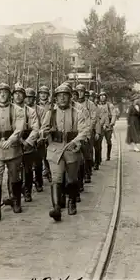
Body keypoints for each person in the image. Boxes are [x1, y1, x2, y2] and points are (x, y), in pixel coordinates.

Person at [41, 85, 88, 221]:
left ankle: (72, 202)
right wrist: (45, 132)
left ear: (70, 98)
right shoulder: (51, 113)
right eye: (59, 96)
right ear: (55, 98)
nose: (62, 98)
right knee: (56, 178)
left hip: (71, 149)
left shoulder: (77, 113)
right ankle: (56, 207)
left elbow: (84, 131)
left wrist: (76, 141)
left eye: (65, 95)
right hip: (55, 149)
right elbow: (42, 130)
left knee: (72, 179)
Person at [0, 83, 25, 221]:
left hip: (12, 149)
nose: (2, 94)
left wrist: (12, 139)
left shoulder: (17, 110)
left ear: (9, 95)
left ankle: (16, 201)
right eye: (0, 92)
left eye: (5, 92)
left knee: (14, 177)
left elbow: (19, 129)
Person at [11, 85, 39, 203]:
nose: (18, 96)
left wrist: (27, 142)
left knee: (27, 169)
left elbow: (35, 128)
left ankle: (27, 190)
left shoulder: (30, 111)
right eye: (15, 94)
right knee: (13, 170)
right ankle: (13, 194)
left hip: (27, 143)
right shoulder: (8, 110)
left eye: (20, 94)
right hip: (12, 143)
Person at [25, 87, 48, 193]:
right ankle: (26, 186)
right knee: (27, 165)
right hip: (26, 140)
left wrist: (40, 137)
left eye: (31, 97)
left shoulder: (41, 110)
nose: (28, 100)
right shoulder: (21, 110)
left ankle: (39, 182)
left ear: (34, 98)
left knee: (38, 163)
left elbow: (43, 126)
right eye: (27, 97)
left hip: (38, 139)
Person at [75, 84, 99, 183]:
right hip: (76, 132)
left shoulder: (90, 104)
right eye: (78, 91)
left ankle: (87, 173)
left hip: (87, 131)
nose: (80, 93)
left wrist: (88, 130)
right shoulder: (73, 103)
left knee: (87, 154)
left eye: (81, 91)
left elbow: (93, 118)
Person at [97, 91, 117, 164]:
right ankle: (99, 157)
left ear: (106, 97)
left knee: (108, 141)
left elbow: (114, 114)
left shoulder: (110, 105)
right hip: (100, 127)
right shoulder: (97, 105)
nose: (102, 97)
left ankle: (108, 156)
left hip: (108, 127)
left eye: (103, 96)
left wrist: (112, 123)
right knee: (99, 143)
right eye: (101, 96)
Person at [37, 85, 53, 182]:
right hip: (38, 130)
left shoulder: (51, 105)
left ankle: (49, 170)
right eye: (41, 93)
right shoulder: (36, 105)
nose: (43, 95)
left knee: (49, 152)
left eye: (45, 93)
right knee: (40, 153)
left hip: (49, 131)